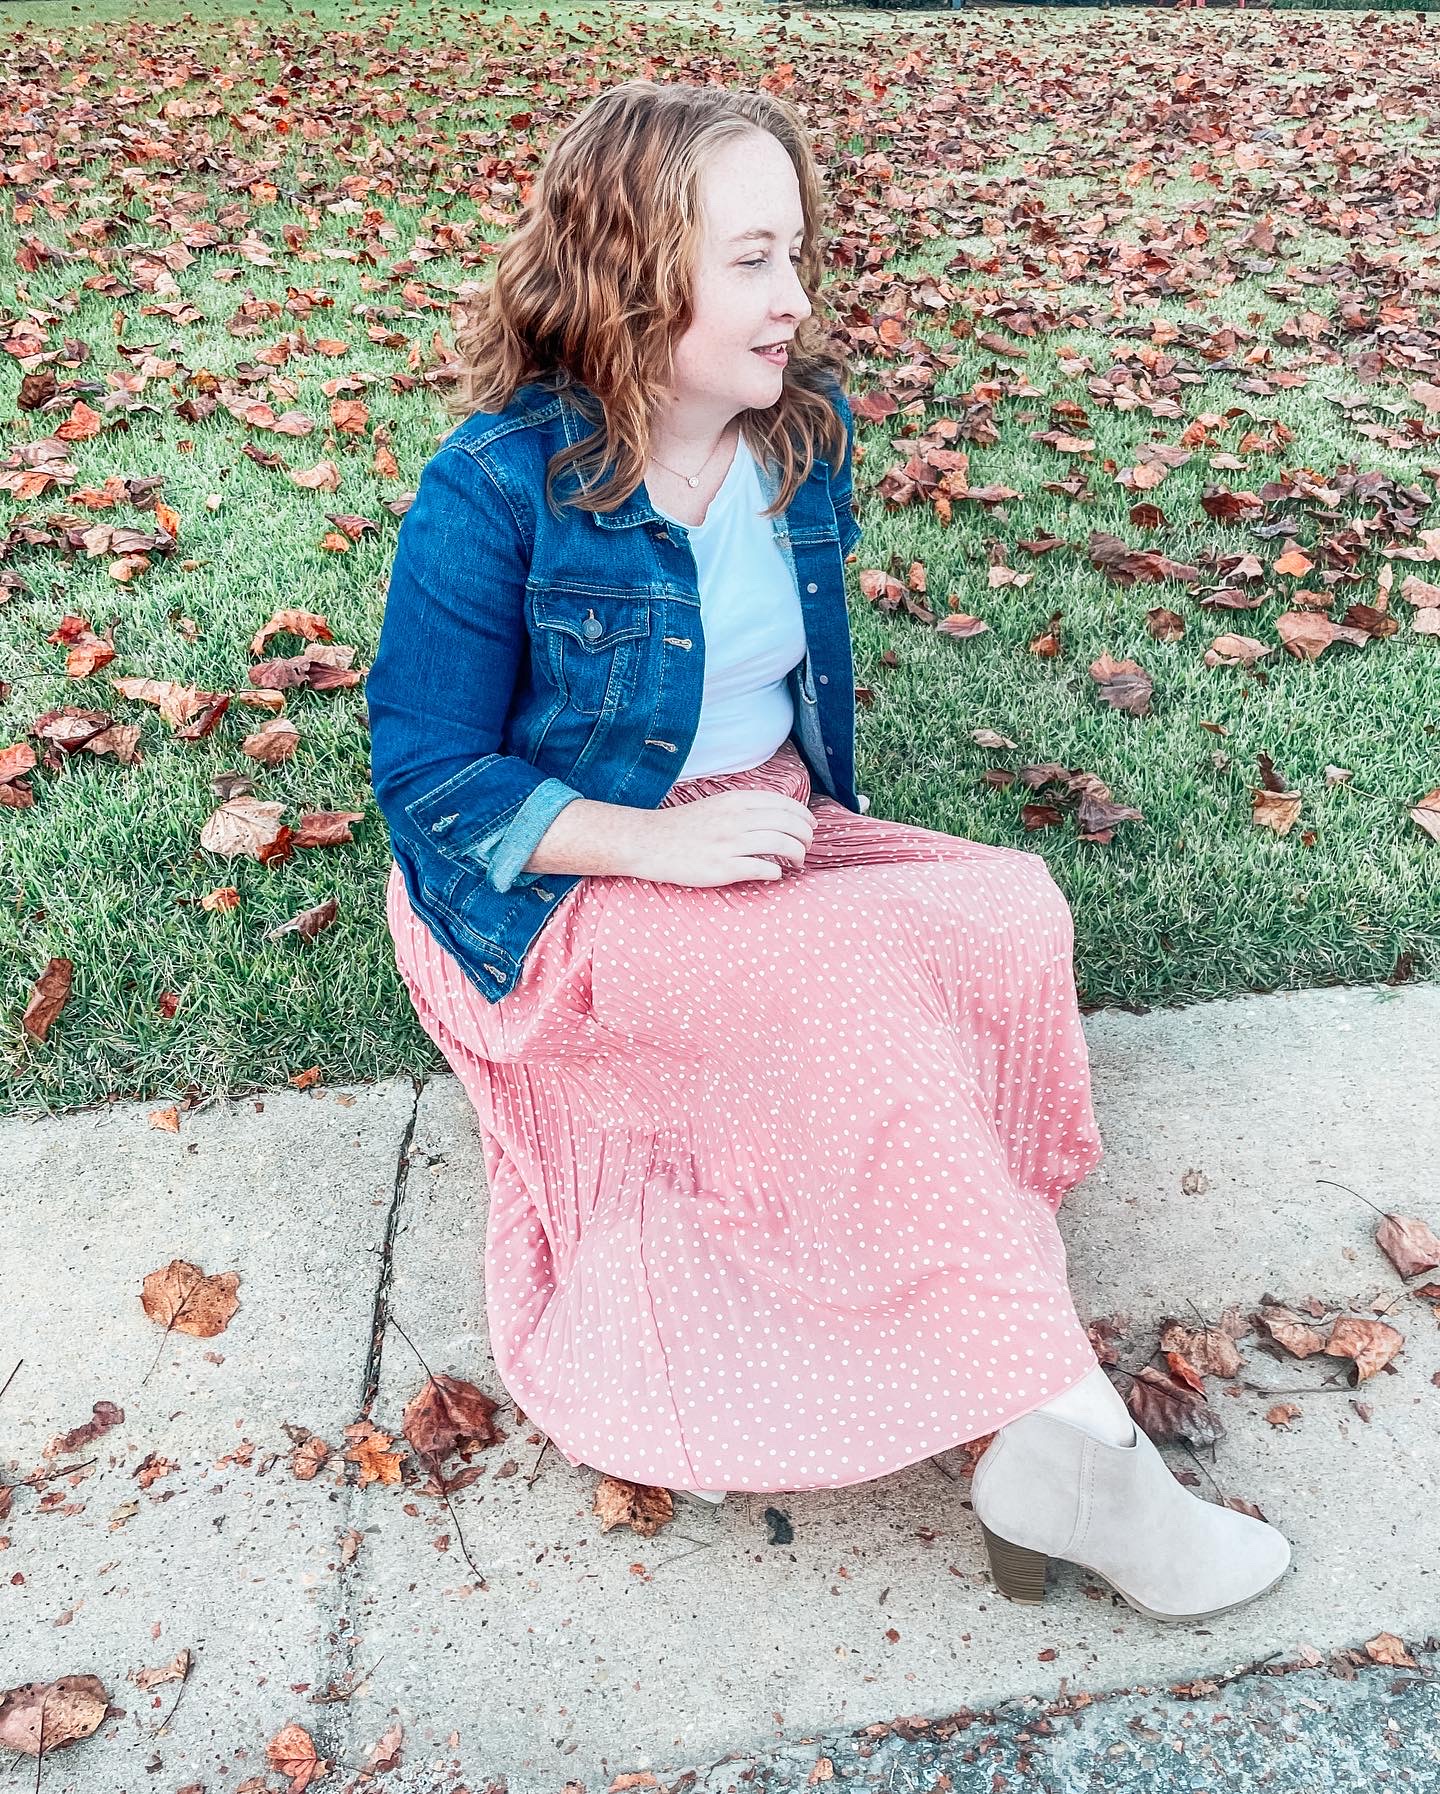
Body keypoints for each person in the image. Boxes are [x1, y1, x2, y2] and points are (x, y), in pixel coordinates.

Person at [366, 80, 1292, 1624]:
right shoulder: (496, 484)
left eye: (797, 252)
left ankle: (967, 1322)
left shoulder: (804, 442)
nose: (796, 297)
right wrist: (657, 846)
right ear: (629, 265)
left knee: (1005, 912)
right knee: (855, 999)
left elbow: (776, 697)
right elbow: (429, 781)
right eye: (751, 259)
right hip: (556, 885)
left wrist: (757, 826)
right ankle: (1073, 1443)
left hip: (757, 815)